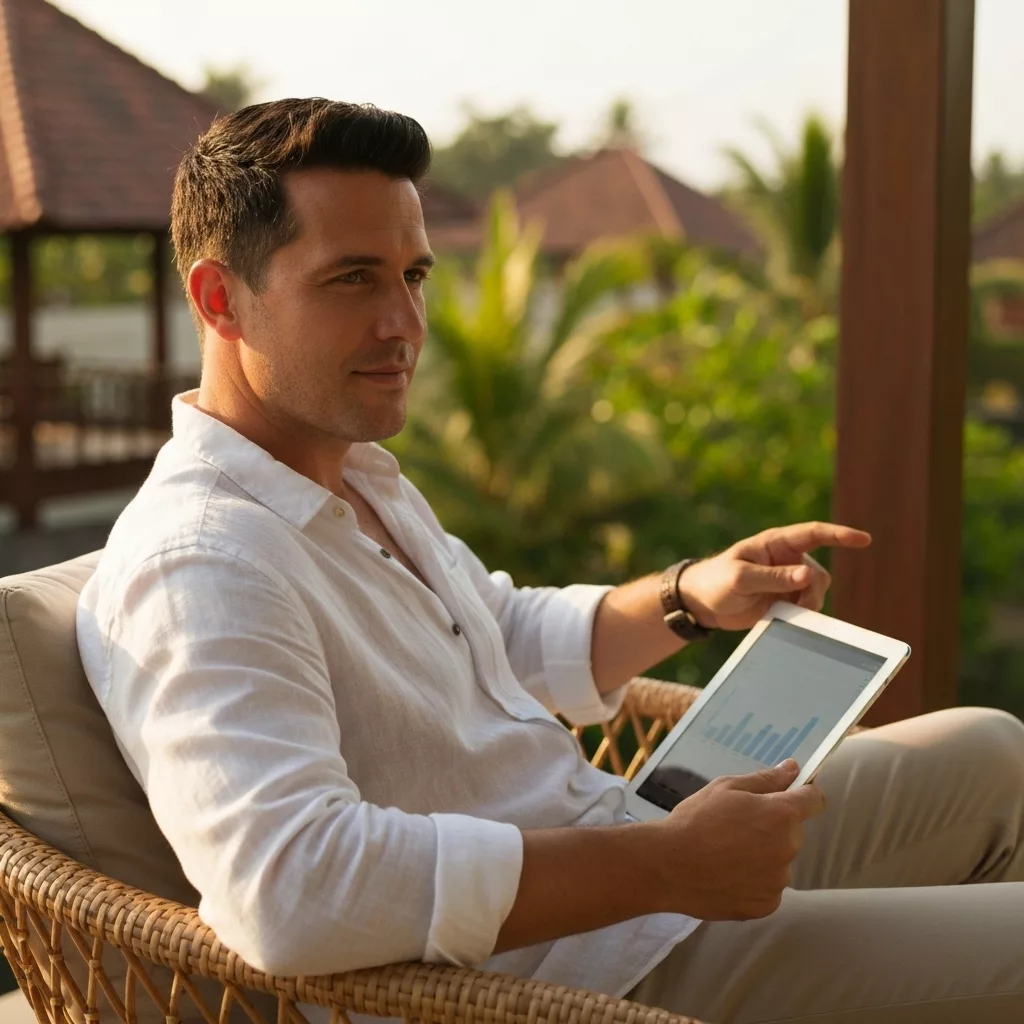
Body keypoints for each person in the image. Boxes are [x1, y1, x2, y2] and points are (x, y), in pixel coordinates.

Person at [77, 99, 1024, 1024]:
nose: (404, 322)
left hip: (634, 857)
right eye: (352, 279)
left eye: (414, 275)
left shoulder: (352, 476)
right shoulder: (203, 563)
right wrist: (665, 868)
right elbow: (290, 888)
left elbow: (495, 636)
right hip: (573, 976)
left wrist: (691, 596)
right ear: (219, 299)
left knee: (991, 751)